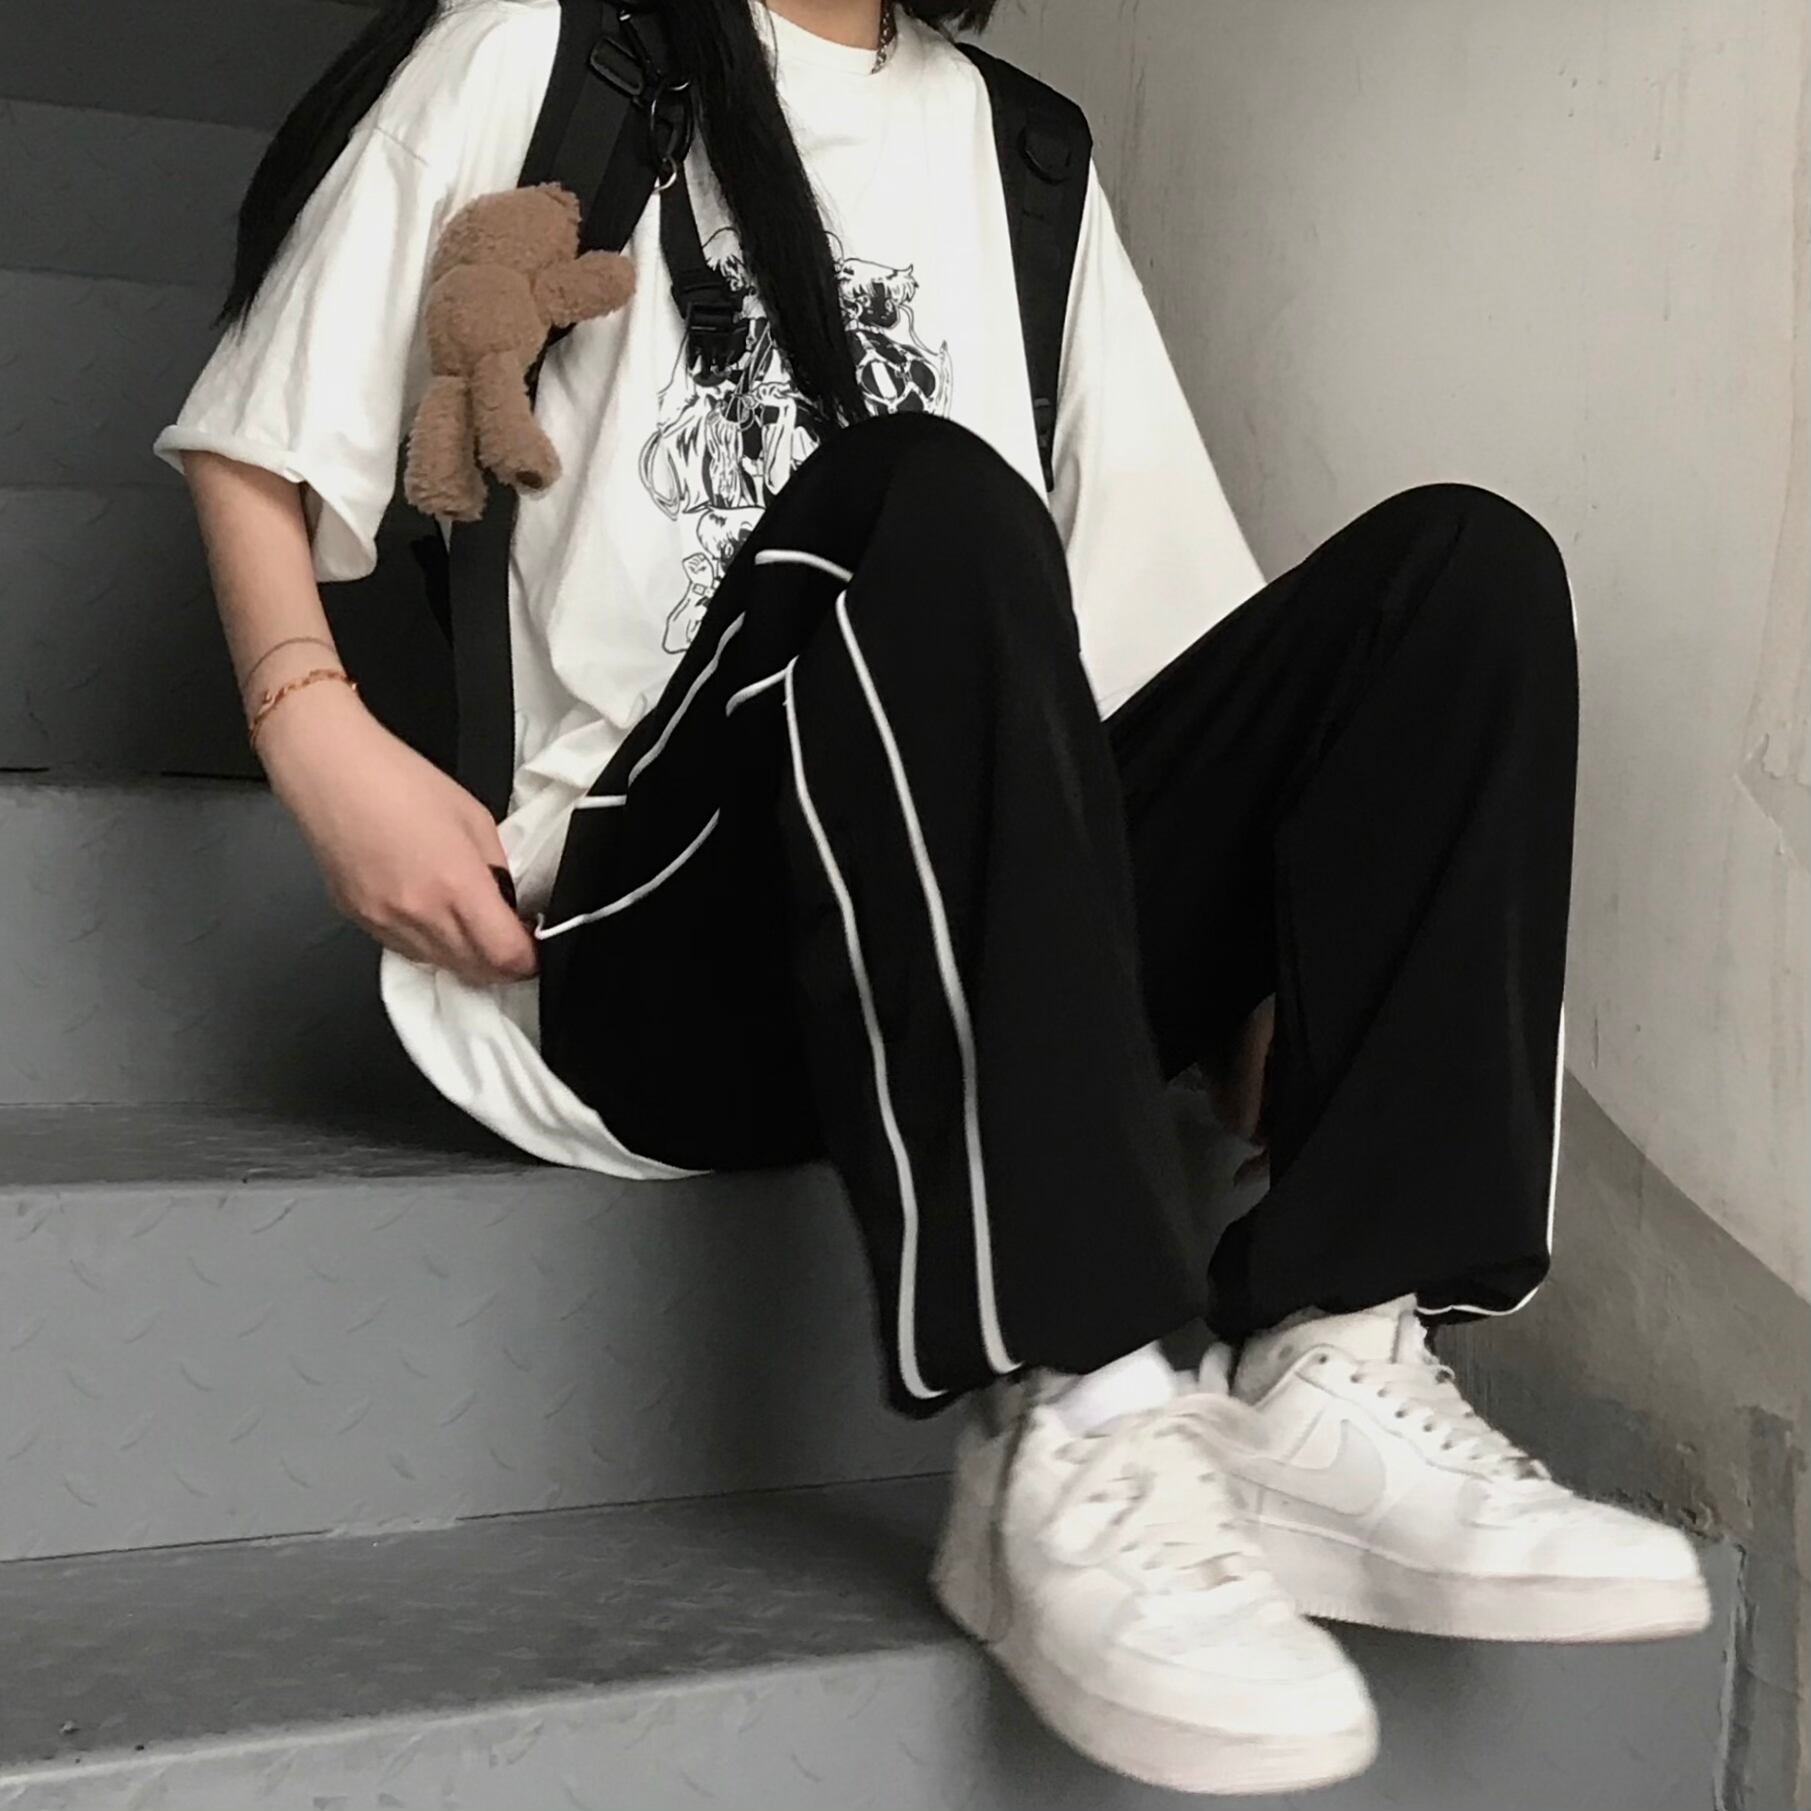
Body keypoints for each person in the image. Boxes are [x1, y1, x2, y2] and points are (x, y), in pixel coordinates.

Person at [157, 0, 1711, 1795]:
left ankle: (1337, 1360)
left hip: (964, 930)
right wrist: (315, 729)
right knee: (924, 498)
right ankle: (1074, 1403)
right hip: (658, 939)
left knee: (1462, 575)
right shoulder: (556, 45)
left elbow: (1168, 644)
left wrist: (1274, 958)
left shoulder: (1024, 152)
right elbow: (262, 419)